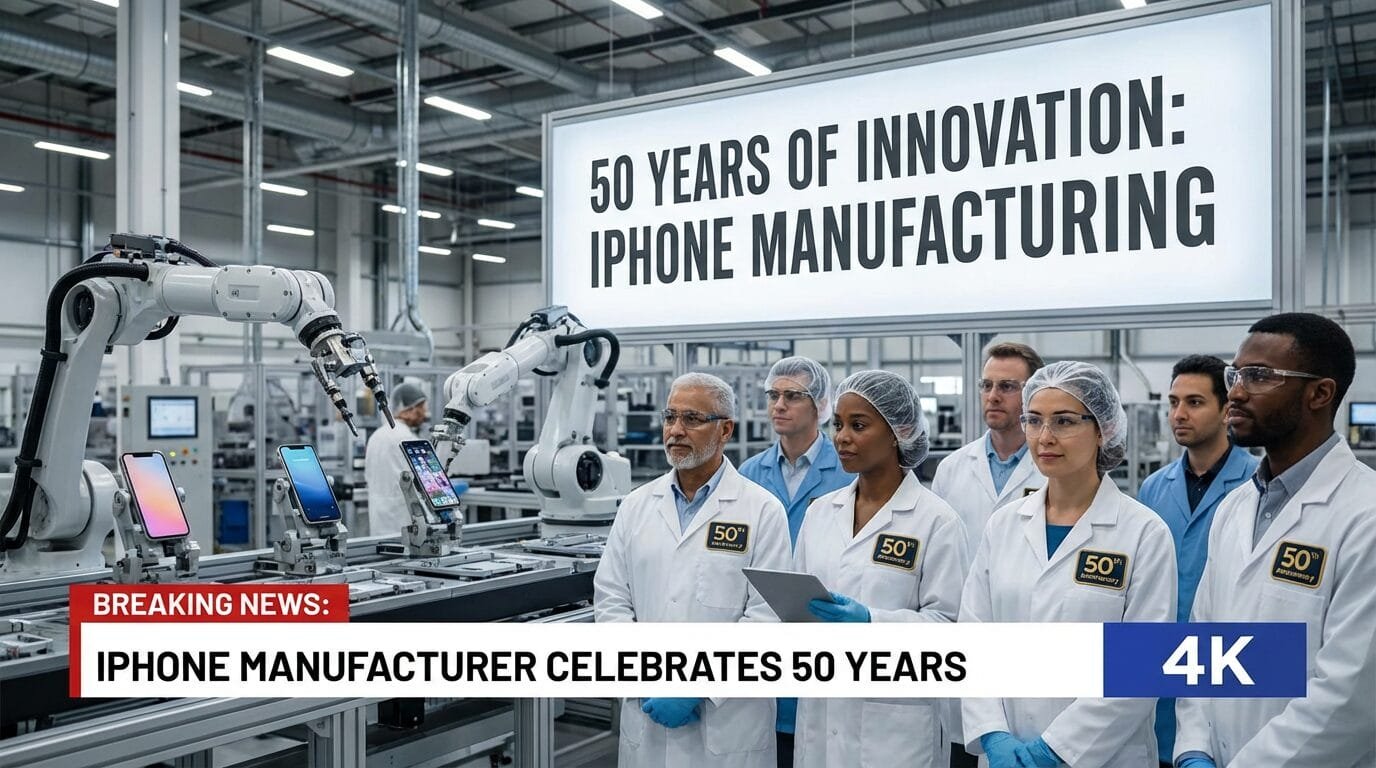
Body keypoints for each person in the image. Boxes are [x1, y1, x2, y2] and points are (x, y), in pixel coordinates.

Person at [1174, 313, 1376, 768]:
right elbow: (1201, 644)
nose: (1237, 392)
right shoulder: (1235, 509)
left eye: (1259, 376)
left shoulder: (1365, 515)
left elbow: (1351, 697)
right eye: (1236, 373)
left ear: (1320, 393)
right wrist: (1193, 747)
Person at [961, 361, 1176, 768]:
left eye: (1063, 421)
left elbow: (1141, 666)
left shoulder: (1143, 532)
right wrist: (992, 734)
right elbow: (973, 637)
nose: (1045, 437)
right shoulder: (1004, 525)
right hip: (1005, 752)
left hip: (1103, 755)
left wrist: (1055, 750)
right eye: (1034, 420)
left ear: (1103, 429)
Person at [594, 372, 792, 768]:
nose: (676, 430)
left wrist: (696, 686)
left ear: (726, 430)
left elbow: (767, 618)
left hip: (727, 720)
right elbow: (612, 598)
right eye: (670, 417)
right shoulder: (636, 505)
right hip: (647, 707)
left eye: (692, 419)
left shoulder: (762, 510)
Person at [791, 370, 968, 768]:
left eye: (858, 425)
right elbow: (798, 605)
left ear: (897, 432)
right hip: (822, 715)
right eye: (838, 424)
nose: (842, 437)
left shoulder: (936, 521)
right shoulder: (821, 513)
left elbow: (952, 628)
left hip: (896, 725)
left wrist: (872, 622)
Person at [1136, 355, 1258, 767]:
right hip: (1159, 662)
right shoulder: (1154, 487)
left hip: (1229, 663)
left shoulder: (1257, 485)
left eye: (1194, 402)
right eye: (1173, 402)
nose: (1178, 415)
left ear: (1227, 409)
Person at [738, 356, 855, 768]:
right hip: (760, 633)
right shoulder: (749, 473)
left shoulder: (847, 471)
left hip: (825, 630)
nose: (779, 405)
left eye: (792, 396)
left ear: (821, 405)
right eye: (774, 395)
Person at [933, 342, 1048, 561]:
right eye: (987, 385)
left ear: (1035, 393)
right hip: (962, 594)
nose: (993, 396)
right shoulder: (950, 469)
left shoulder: (1054, 470)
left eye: (1007, 386)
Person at [363, 380, 429, 535]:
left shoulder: (376, 436)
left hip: (378, 518)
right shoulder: (407, 438)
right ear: (408, 409)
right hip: (403, 519)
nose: (424, 413)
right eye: (420, 408)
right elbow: (424, 479)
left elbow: (368, 476)